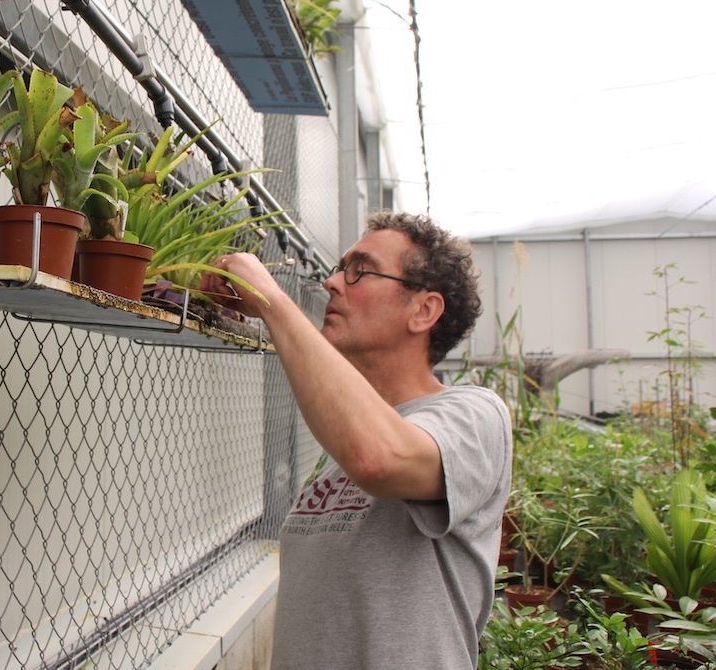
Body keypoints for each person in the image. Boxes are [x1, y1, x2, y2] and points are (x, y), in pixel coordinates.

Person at [202, 211, 512, 669]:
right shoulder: (338, 452)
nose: (332, 283)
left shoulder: (476, 415)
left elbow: (379, 458)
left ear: (423, 310)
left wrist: (272, 301)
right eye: (338, 267)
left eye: (360, 270)